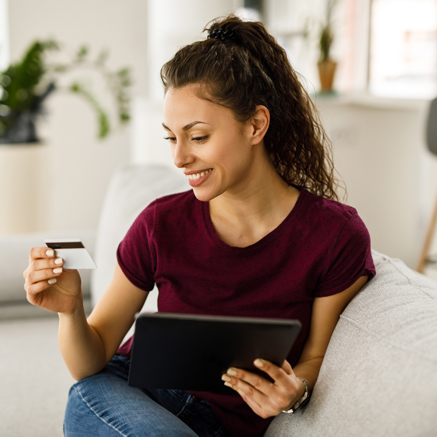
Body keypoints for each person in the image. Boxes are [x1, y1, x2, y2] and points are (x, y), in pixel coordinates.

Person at [23, 15, 376, 437]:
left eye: (199, 136)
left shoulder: (334, 235)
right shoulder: (159, 223)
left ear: (256, 125)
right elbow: (91, 362)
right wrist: (71, 310)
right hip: (124, 395)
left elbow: (315, 357)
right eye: (172, 137)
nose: (179, 158)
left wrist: (294, 390)